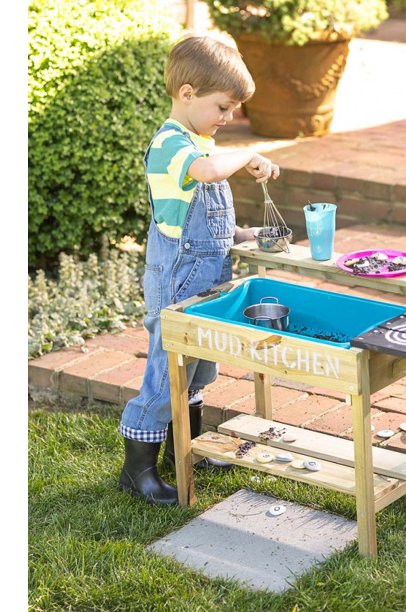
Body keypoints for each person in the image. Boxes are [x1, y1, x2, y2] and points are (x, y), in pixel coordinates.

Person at [118, 34, 280, 505]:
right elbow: (207, 173)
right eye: (223, 107)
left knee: (196, 370)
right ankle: (138, 472)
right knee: (168, 373)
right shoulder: (172, 144)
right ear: (187, 94)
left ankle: (183, 451)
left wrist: (244, 236)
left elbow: (209, 222)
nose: (229, 118)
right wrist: (248, 155)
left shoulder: (200, 141)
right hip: (178, 282)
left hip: (207, 285)